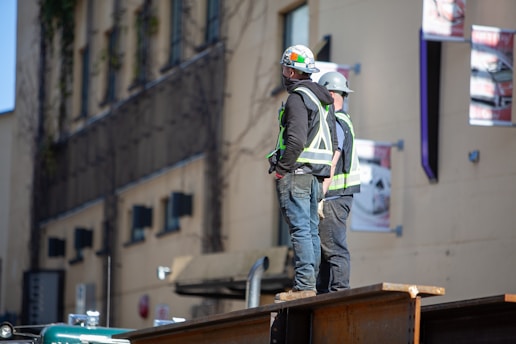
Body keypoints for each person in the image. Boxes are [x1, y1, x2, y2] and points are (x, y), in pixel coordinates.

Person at [268, 45, 338, 302]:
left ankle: (304, 286)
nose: (284, 74)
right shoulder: (321, 101)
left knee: (300, 230)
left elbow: (295, 140)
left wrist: (281, 170)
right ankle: (309, 285)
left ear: (290, 70)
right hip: (314, 176)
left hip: (296, 173)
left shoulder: (298, 98)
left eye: (285, 69)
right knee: (310, 231)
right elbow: (333, 140)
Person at [316, 71, 361, 293]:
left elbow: (332, 160)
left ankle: (338, 293)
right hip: (338, 197)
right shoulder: (344, 121)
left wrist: (320, 195)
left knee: (334, 249)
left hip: (333, 197)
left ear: (331, 94)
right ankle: (325, 294)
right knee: (326, 250)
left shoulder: (335, 122)